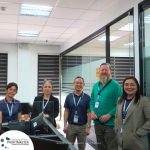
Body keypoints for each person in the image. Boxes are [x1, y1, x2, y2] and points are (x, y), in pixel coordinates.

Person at [90, 63, 122, 150]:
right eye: (102, 70)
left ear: (110, 71)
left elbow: (120, 103)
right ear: (99, 71)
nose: (104, 72)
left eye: (106, 70)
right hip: (97, 123)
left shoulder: (116, 86)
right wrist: (92, 111)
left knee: (111, 147)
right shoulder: (96, 85)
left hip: (110, 125)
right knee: (101, 147)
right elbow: (92, 99)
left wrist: (109, 115)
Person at [115, 76, 150, 150]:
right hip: (121, 141)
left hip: (137, 142)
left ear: (137, 86)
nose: (129, 87)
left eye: (132, 84)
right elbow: (117, 117)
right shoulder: (120, 100)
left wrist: (138, 133)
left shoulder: (144, 101)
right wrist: (116, 129)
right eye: (126, 84)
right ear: (123, 87)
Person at [63, 76, 91, 150]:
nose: (79, 84)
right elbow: (66, 111)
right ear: (73, 84)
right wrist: (65, 125)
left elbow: (89, 113)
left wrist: (88, 127)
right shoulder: (69, 97)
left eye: (80, 83)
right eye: (77, 83)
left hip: (82, 127)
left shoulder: (87, 98)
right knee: (69, 147)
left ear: (83, 85)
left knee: (82, 147)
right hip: (71, 126)